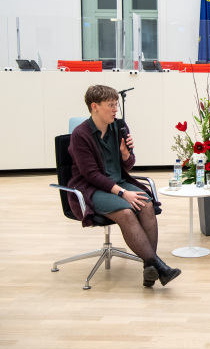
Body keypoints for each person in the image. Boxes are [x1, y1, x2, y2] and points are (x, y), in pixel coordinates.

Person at [68, 85, 181, 287]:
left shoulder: (119, 127)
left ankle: (150, 268)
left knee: (145, 203)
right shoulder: (80, 135)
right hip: (92, 189)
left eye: (116, 104)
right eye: (110, 105)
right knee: (127, 211)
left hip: (119, 182)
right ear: (94, 106)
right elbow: (91, 175)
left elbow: (128, 165)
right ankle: (158, 265)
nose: (115, 110)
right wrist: (123, 193)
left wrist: (126, 155)